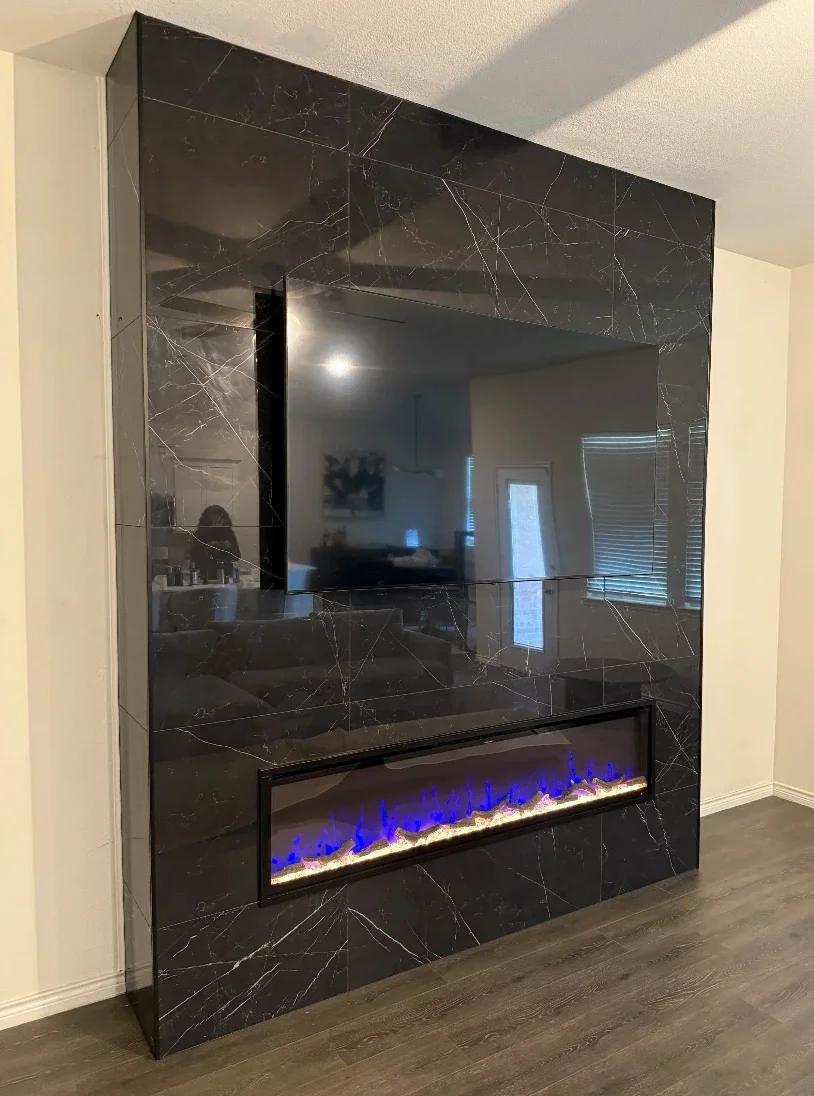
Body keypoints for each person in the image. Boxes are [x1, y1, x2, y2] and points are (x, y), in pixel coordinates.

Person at [191, 505, 241, 582]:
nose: (217, 524)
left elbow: (237, 556)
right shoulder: (200, 534)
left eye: (219, 521)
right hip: (206, 578)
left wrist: (228, 547)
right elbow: (195, 557)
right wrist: (208, 548)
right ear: (207, 521)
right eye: (213, 521)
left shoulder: (228, 533)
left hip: (227, 577)